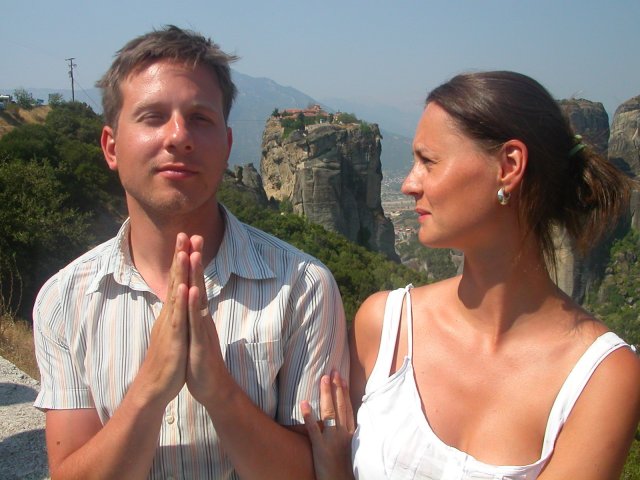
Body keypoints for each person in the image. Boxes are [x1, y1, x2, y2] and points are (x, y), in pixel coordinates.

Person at [33, 25, 348, 480]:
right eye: (153, 116)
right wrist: (150, 388)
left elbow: (312, 473)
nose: (179, 136)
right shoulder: (65, 299)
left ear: (227, 145)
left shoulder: (302, 287)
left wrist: (219, 389)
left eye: (200, 118)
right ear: (111, 147)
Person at [301, 70, 640, 479]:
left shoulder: (602, 377)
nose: (409, 183)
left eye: (428, 161)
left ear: (508, 166)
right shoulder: (385, 325)